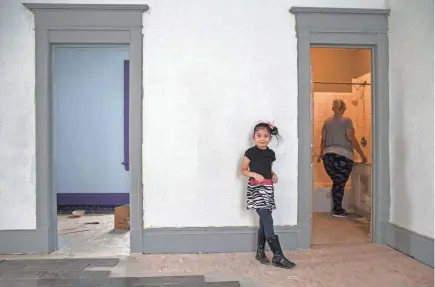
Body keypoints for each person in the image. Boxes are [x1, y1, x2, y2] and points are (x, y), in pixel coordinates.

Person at [241, 121, 296, 269]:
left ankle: (260, 252)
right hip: (256, 189)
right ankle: (278, 255)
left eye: (266, 136)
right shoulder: (250, 152)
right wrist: (253, 174)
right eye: (259, 135)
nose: (262, 138)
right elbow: (243, 169)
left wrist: (273, 174)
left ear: (270, 138)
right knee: (267, 219)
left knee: (264, 220)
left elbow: (267, 168)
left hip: (268, 187)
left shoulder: (270, 154)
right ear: (254, 137)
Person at [317, 99, 367, 217]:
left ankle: (337, 208)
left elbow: (323, 140)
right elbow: (351, 138)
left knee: (337, 182)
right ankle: (338, 210)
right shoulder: (347, 121)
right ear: (343, 108)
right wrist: (362, 154)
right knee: (340, 183)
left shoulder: (326, 122)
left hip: (328, 156)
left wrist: (320, 154)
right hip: (343, 156)